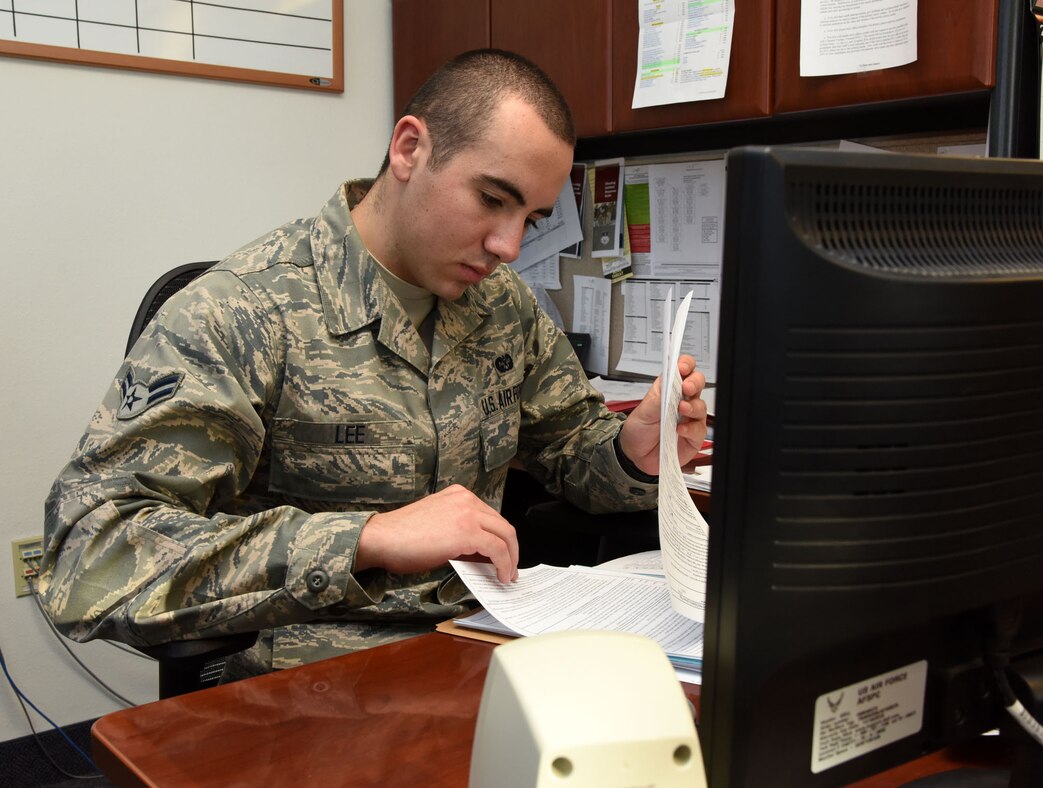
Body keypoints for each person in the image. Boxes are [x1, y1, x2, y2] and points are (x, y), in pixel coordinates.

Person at [40, 49, 708, 675]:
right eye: (491, 199)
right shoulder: (244, 310)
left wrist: (632, 454)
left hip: (479, 645)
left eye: (530, 219)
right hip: (315, 679)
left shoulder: (503, 307)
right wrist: (366, 538)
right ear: (410, 149)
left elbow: (570, 449)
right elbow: (89, 551)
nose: (508, 245)